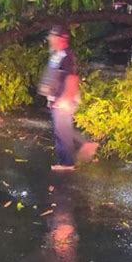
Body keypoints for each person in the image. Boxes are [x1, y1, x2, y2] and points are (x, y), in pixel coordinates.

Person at [39, 25, 98, 171]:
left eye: (54, 37)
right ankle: (85, 146)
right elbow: (53, 77)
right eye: (51, 36)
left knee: (62, 131)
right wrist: (50, 97)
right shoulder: (56, 55)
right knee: (63, 129)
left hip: (64, 99)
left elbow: (72, 78)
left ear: (62, 39)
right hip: (56, 98)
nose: (50, 39)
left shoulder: (66, 56)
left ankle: (67, 163)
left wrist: (65, 99)